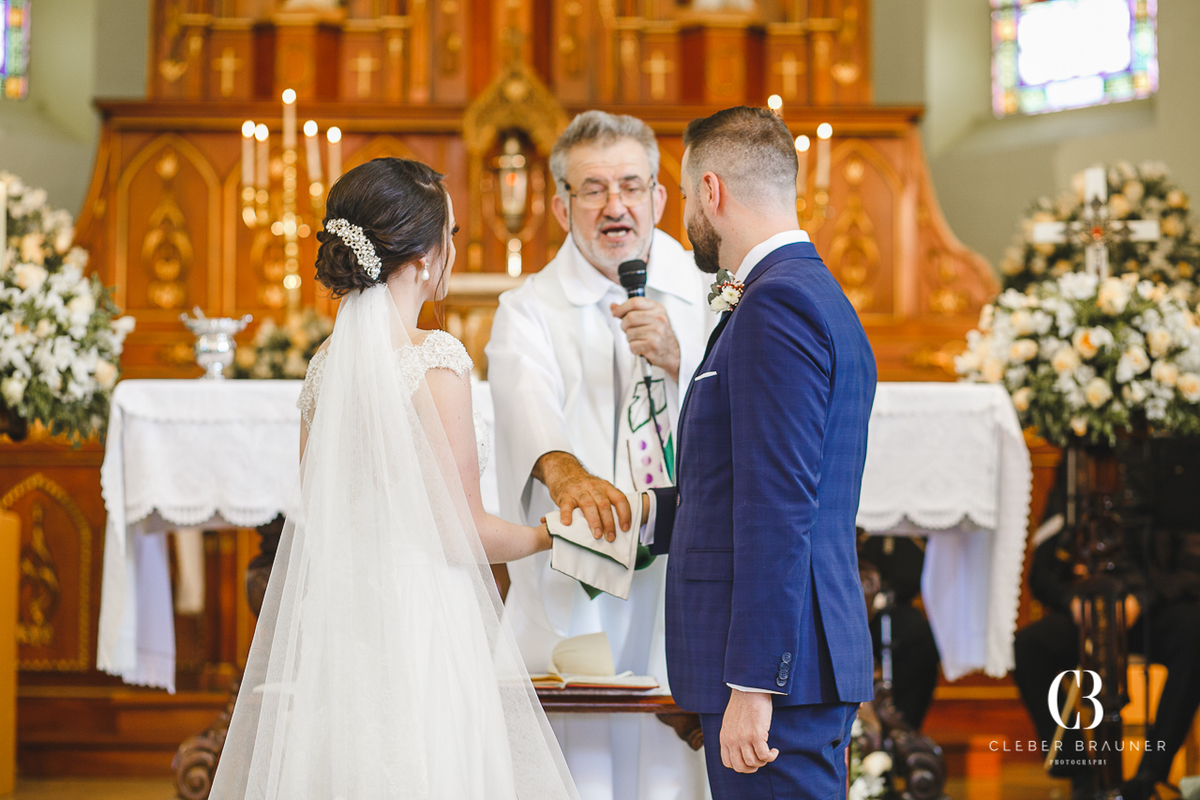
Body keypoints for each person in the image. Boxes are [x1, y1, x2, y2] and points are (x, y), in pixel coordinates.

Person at [210, 158, 579, 799]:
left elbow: (322, 509)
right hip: (423, 624)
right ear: (424, 256)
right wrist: (550, 535)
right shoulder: (436, 360)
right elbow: (463, 535)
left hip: (342, 625)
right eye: (452, 234)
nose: (454, 251)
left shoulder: (325, 366)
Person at [638, 106, 876, 799]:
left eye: (683, 196)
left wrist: (752, 683)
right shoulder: (806, 294)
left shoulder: (778, 306)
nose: (684, 215)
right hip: (795, 664)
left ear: (712, 191)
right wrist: (646, 517)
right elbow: (746, 486)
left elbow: (779, 506)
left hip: (781, 674)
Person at [486, 110, 714, 799]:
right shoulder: (529, 308)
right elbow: (524, 398)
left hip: (683, 558)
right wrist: (567, 474)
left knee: (673, 759)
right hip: (585, 560)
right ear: (561, 206)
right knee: (580, 756)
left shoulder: (710, 286)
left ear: (659, 199)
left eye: (631, 186)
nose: (615, 206)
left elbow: (748, 406)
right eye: (593, 190)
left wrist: (680, 358)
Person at [1014, 440, 1200, 800]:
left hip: (1153, 608)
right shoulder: (1076, 464)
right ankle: (1080, 774)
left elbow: (1193, 568)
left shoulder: (1179, 457)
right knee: (1028, 647)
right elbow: (1042, 574)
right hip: (1089, 613)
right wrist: (1071, 602)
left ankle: (1149, 777)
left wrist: (1141, 599)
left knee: (1193, 633)